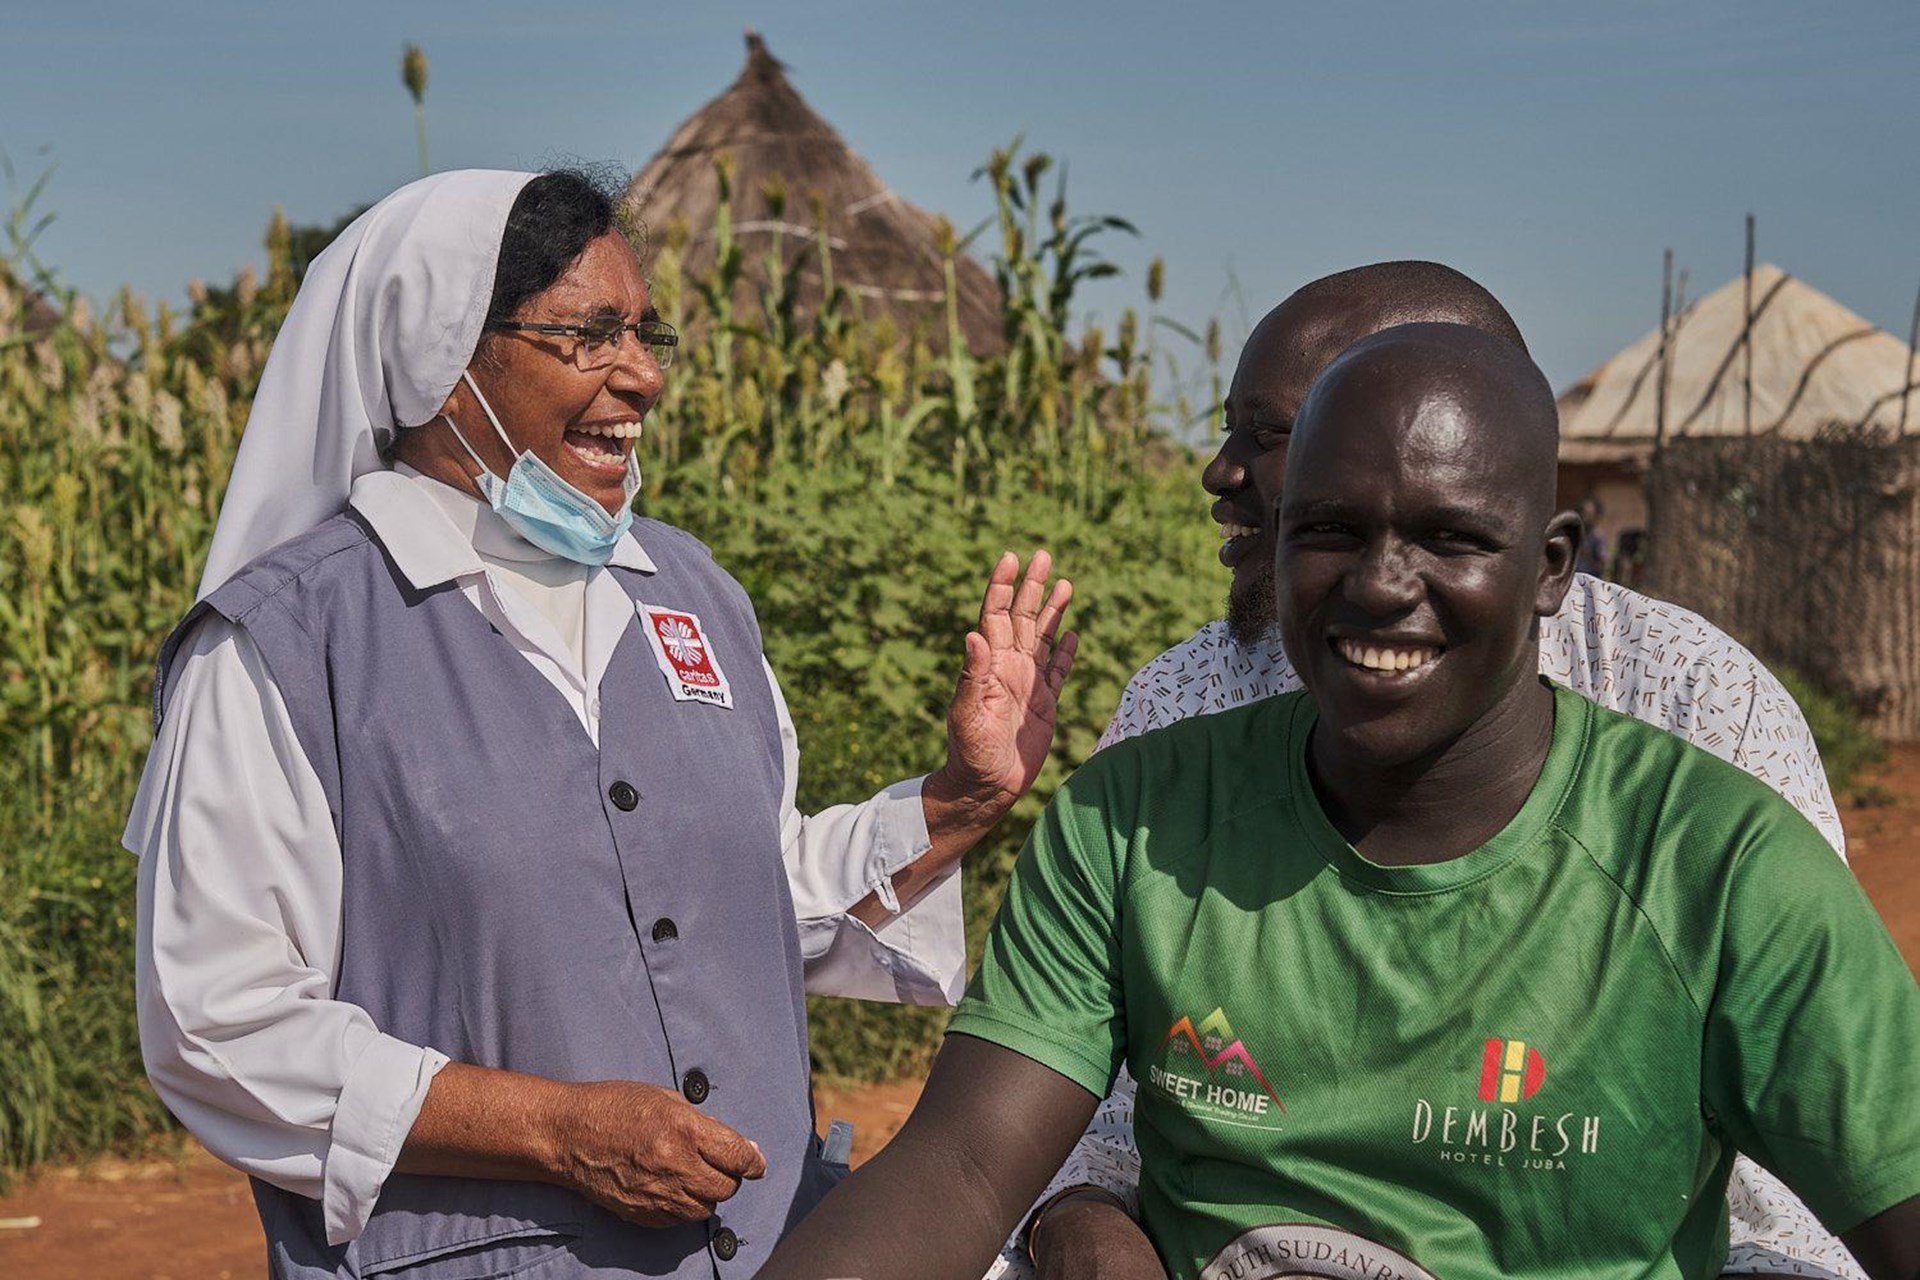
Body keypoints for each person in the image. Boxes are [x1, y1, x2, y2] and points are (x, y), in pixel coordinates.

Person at [753, 321, 1920, 1280]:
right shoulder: (1139, 814)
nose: (1379, 586)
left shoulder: (1713, 861)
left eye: (1449, 538)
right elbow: (959, 1170)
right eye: (1330, 532)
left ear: (1554, 562)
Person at [127, 168, 1076, 1280]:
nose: (644, 376)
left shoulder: (690, 593)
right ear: (442, 353)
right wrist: (554, 1130)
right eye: (589, 335)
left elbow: (749, 898)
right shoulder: (287, 645)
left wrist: (958, 803)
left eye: (646, 331)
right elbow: (217, 1022)